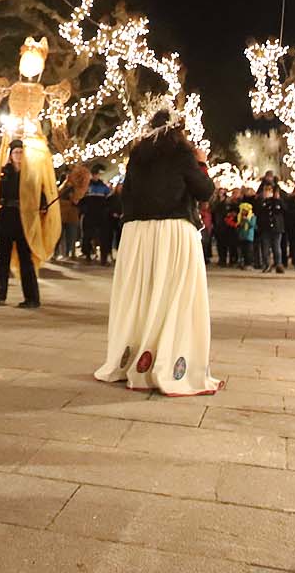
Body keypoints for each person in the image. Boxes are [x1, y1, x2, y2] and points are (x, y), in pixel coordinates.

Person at [96, 109, 221, 395]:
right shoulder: (182, 153)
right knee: (175, 296)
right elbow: (204, 191)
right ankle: (168, 361)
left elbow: (126, 195)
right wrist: (202, 164)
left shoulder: (137, 156)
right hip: (173, 232)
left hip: (137, 235)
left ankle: (134, 356)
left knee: (142, 295)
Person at [0, 139, 46, 308]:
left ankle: (32, 298)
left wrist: (41, 205)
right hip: (6, 218)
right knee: (3, 261)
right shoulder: (3, 172)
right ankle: (1, 295)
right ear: (11, 155)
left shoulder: (30, 174)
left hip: (23, 221)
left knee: (25, 261)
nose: (18, 155)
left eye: (21, 152)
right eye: (15, 152)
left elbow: (38, 193)